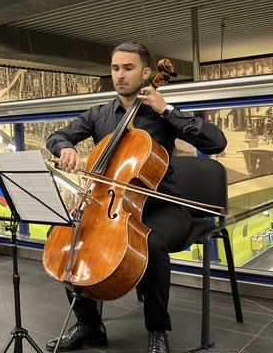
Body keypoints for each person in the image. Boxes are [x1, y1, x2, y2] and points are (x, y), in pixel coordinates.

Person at [45, 42, 227, 353]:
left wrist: (166, 109)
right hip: (111, 204)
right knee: (64, 236)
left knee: (150, 243)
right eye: (115, 68)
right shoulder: (98, 114)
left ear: (146, 73)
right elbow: (57, 136)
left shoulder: (161, 113)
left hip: (165, 207)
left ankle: (157, 329)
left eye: (128, 68)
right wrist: (65, 148)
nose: (120, 75)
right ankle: (89, 326)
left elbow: (215, 143)